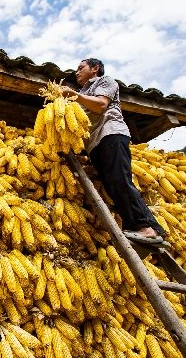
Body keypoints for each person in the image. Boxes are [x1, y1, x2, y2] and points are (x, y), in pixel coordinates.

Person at [60, 58, 166, 244]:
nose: (76, 72)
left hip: (111, 134)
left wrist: (74, 95)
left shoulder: (106, 81)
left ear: (95, 69)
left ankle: (145, 227)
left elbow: (101, 105)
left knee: (120, 180)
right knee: (113, 185)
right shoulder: (82, 93)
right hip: (95, 144)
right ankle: (149, 227)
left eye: (81, 68)